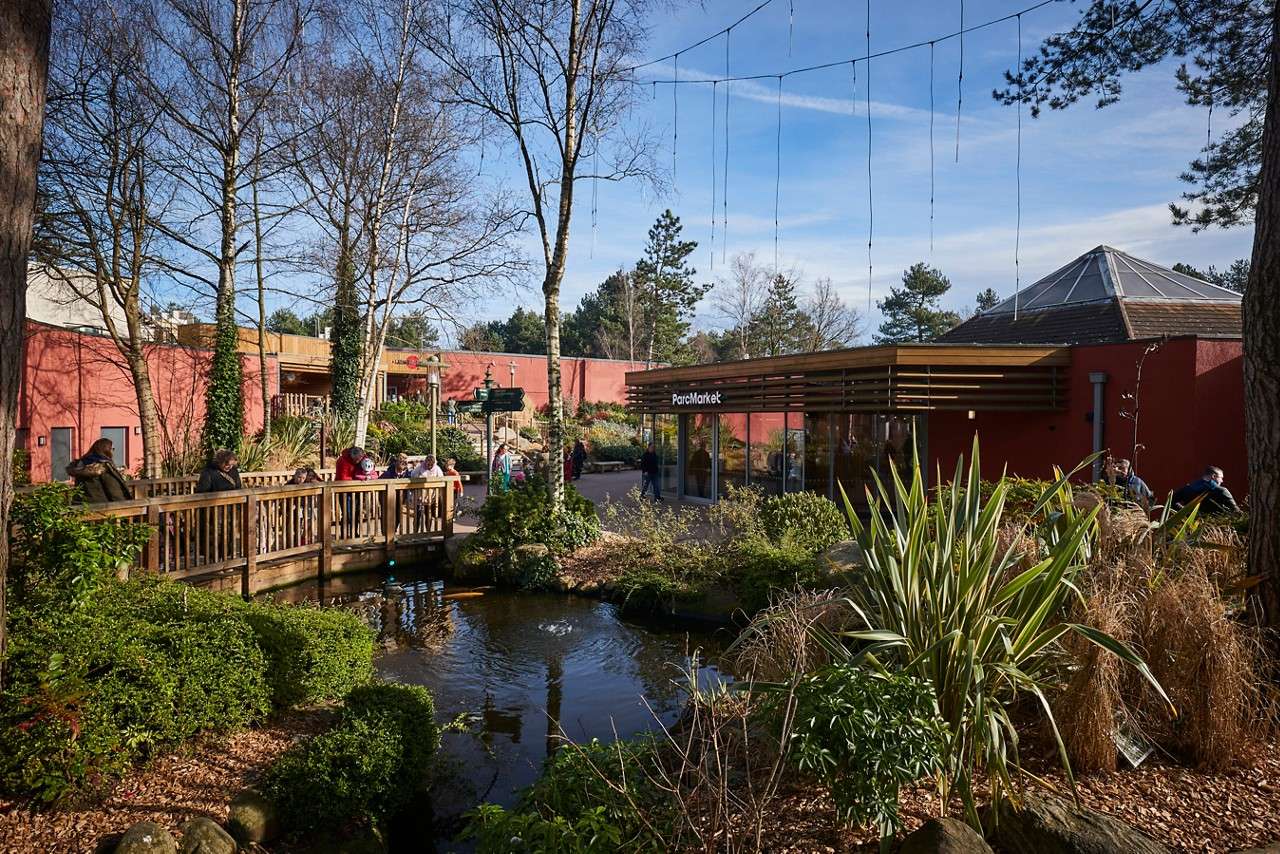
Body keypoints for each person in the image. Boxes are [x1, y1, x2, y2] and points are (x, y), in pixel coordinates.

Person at [66, 437, 132, 503]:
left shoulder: (80, 464)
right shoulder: (103, 466)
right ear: (106, 449)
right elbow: (114, 490)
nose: (113, 451)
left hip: (80, 506)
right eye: (113, 449)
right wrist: (125, 505)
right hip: (101, 508)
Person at [1172, 465, 1241, 516]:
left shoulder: (1187, 488)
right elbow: (1236, 511)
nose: (1222, 481)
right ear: (1213, 476)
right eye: (1221, 478)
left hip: (1191, 528)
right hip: (1215, 530)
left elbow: (1171, 502)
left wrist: (1187, 514)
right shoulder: (1221, 491)